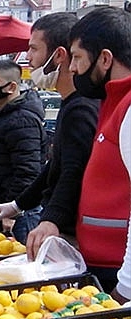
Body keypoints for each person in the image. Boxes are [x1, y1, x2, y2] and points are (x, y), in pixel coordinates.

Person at [0, 13, 99, 253]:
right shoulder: (70, 103)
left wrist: (52, 220)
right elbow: (54, 166)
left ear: (58, 55)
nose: (28, 58)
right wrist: (17, 204)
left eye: (33, 49)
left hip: (70, 233)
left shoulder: (81, 108)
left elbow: (73, 171)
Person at [67, 6, 131, 299]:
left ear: (105, 58)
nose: (71, 68)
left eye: (78, 57)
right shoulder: (111, 102)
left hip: (118, 276)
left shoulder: (128, 107)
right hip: (102, 266)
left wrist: (126, 289)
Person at [0, 59, 47, 243]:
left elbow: (28, 172)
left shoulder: (22, 121)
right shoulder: (2, 115)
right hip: (2, 209)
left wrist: (13, 211)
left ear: (11, 87)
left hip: (20, 215)